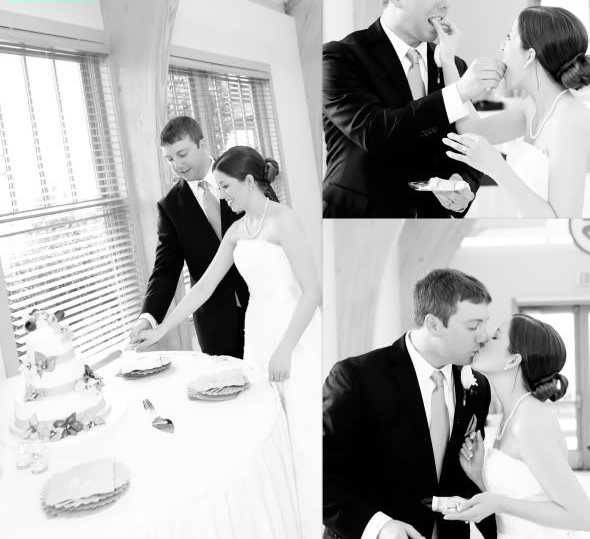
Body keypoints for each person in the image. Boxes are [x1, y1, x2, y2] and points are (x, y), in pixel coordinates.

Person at [133, 145, 322, 538]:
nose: (221, 195)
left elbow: (312, 292)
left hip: (294, 333)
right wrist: (162, 327)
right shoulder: (237, 231)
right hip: (259, 333)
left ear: (249, 182)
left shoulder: (284, 221)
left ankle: (315, 519)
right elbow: (202, 288)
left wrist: (286, 348)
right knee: (272, 425)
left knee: (303, 429)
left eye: (225, 187)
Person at [322, 0, 505, 218]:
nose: (445, 3)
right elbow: (376, 133)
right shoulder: (340, 57)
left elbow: (468, 140)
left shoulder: (454, 65)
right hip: (358, 218)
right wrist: (459, 93)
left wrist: (463, 182)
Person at [323, 268, 497, 539]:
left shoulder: (478, 388)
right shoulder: (356, 377)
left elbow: (464, 474)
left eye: (485, 324)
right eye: (473, 326)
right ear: (433, 324)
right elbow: (321, 475)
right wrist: (378, 526)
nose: (484, 336)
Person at [445, 314, 590, 538]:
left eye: (495, 337)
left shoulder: (530, 421)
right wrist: (478, 474)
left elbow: (583, 515)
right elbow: (524, 495)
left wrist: (498, 504)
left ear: (513, 360)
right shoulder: (512, 415)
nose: (484, 339)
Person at [442, 6, 590, 217]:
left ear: (529, 56)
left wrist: (497, 168)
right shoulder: (530, 107)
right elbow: (472, 130)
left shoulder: (570, 119)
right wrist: (448, 62)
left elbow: (562, 222)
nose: (502, 46)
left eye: (509, 38)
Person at [128, 116, 249, 358]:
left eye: (182, 154)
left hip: (264, 304)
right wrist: (147, 318)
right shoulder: (170, 207)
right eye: (169, 159)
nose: (177, 165)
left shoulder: (242, 175)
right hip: (216, 327)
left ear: (202, 144)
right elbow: (165, 270)